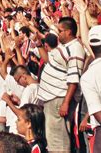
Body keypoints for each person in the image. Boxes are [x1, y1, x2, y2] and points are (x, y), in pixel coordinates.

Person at [37, 17, 86, 153]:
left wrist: (65, 102)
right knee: (53, 139)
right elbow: (50, 62)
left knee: (59, 141)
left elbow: (73, 79)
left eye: (60, 31)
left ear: (69, 32)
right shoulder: (65, 47)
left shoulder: (75, 48)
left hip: (58, 98)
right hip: (52, 97)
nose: (58, 34)